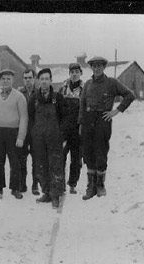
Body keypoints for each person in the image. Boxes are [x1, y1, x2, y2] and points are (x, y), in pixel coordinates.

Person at [79, 56, 135, 200]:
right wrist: (81, 123)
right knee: (88, 153)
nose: (97, 68)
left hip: (103, 121)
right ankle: (90, 187)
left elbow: (130, 95)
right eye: (94, 66)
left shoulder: (111, 83)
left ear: (104, 67)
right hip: (88, 121)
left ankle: (100, 186)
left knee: (101, 152)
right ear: (91, 68)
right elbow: (82, 104)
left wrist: (116, 111)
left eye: (99, 66)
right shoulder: (87, 84)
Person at [30, 68, 66, 209]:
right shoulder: (34, 99)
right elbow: (30, 118)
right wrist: (32, 135)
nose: (44, 81)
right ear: (39, 81)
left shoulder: (58, 98)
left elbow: (65, 118)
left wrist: (61, 135)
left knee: (55, 166)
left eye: (47, 78)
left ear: (51, 80)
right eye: (42, 79)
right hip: (39, 139)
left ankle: (56, 195)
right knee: (41, 166)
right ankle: (46, 193)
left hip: (54, 139)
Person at [0, 69, 28, 200]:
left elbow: (24, 117)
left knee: (15, 162)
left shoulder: (19, 96)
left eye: (8, 79)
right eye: (3, 79)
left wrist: (21, 137)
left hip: (13, 132)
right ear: (0, 80)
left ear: (13, 80)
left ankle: (15, 188)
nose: (6, 81)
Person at [58, 63, 84, 194]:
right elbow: (57, 109)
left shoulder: (85, 89)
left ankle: (72, 184)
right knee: (61, 157)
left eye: (77, 71)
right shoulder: (63, 89)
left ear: (81, 73)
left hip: (78, 130)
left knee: (76, 159)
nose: (74, 74)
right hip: (64, 130)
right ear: (69, 73)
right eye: (72, 72)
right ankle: (60, 184)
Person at [18, 69, 40, 195]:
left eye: (30, 77)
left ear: (34, 79)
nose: (28, 80)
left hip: (36, 129)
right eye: (25, 78)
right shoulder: (19, 93)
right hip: (23, 128)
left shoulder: (39, 92)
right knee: (22, 157)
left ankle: (35, 184)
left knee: (36, 158)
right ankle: (22, 183)